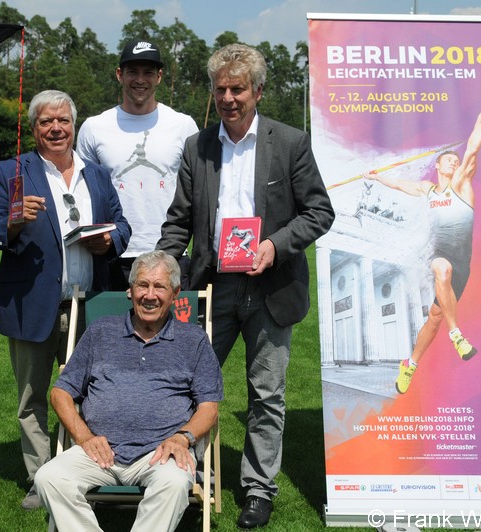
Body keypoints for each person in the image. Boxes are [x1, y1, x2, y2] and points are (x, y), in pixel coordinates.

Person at [156, 44, 334, 529]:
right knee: (188, 386)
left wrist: (275, 245)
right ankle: (188, 473)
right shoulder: (197, 147)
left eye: (238, 89)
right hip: (212, 287)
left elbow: (319, 212)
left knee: (266, 394)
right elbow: (178, 221)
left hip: (272, 289)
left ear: (258, 91)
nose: (229, 98)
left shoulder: (291, 142)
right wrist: (164, 270)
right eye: (221, 89)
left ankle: (258, 488)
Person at [0, 89, 131, 510]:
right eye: (46, 121)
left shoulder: (97, 174)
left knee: (94, 395)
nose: (56, 128)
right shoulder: (10, 172)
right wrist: (12, 221)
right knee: (32, 397)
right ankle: (40, 479)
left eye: (63, 120)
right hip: (31, 305)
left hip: (89, 305)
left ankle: (89, 472)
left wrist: (109, 242)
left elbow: (122, 225)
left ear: (74, 126)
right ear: (34, 128)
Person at [34, 250, 223, 531]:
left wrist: (183, 438)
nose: (149, 295)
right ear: (130, 290)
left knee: (174, 483)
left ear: (175, 294)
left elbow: (209, 406)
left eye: (159, 286)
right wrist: (84, 437)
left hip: (161, 452)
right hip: (99, 451)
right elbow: (60, 393)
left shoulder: (193, 340)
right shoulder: (100, 331)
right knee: (49, 478)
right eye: (142, 285)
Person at [364, 100, 481, 394]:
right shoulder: (428, 190)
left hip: (463, 261)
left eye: (455, 161)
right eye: (448, 160)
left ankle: (409, 364)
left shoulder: (461, 185)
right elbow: (401, 185)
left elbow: (473, 150)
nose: (454, 162)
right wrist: (376, 177)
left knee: (435, 316)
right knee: (441, 269)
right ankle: (457, 335)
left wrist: (480, 119)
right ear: (436, 165)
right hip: (441, 254)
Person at [77, 39, 198, 290]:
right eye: (132, 71)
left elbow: (195, 194)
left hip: (170, 254)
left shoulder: (183, 125)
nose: (140, 80)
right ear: (119, 74)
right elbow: (84, 195)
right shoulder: (93, 127)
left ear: (159, 76)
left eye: (148, 72)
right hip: (113, 253)